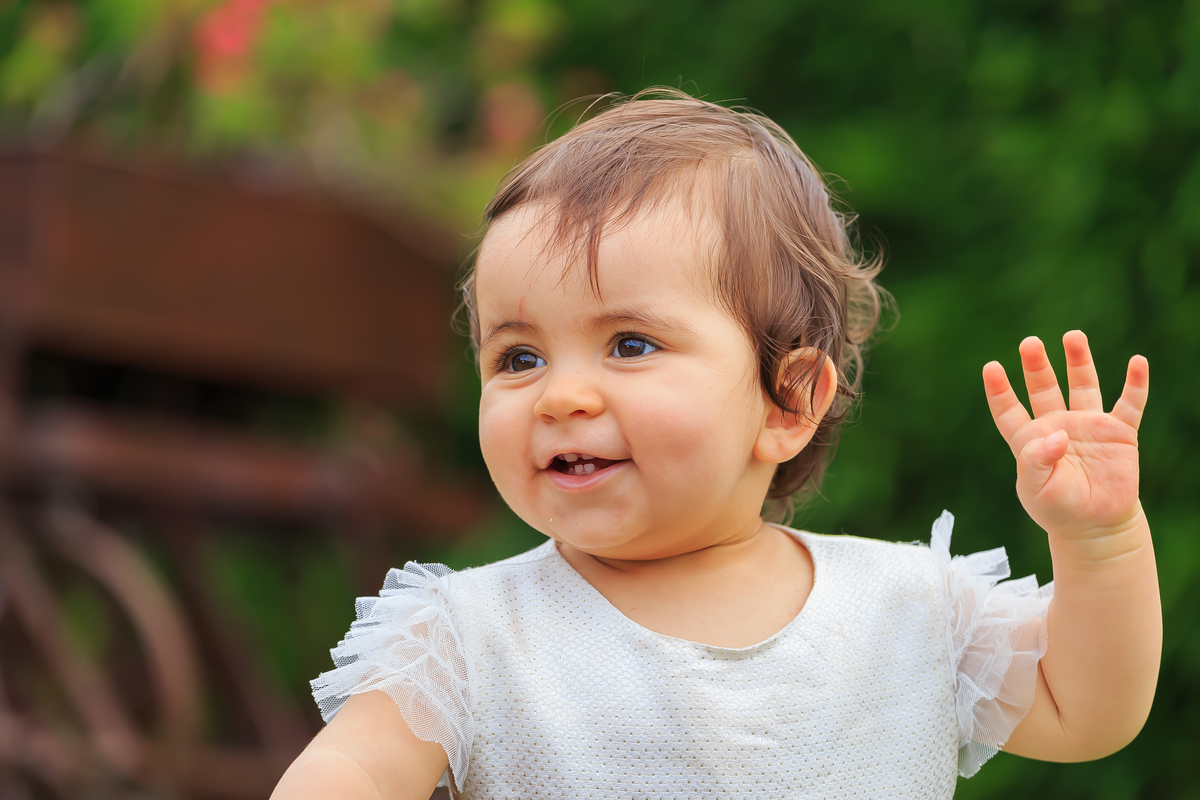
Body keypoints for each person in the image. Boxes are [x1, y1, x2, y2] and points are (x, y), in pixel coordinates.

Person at [271, 89, 1160, 799]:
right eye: (519, 356)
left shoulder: (908, 612)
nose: (560, 395)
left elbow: (1083, 707)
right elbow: (352, 770)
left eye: (629, 344)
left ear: (787, 401)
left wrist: (1099, 541)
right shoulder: (472, 637)